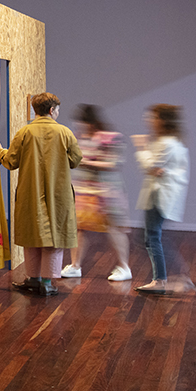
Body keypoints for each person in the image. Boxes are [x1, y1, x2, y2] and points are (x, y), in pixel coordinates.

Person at [0, 92, 83, 296]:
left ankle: (32, 279)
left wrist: (0, 152)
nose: (58, 113)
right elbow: (76, 160)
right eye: (58, 109)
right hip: (58, 194)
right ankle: (46, 282)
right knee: (54, 235)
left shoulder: (24, 132)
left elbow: (11, 162)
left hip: (29, 192)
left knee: (31, 235)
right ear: (52, 110)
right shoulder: (64, 132)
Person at [61, 104, 131, 281]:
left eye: (82, 122)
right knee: (80, 229)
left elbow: (113, 164)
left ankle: (124, 266)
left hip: (107, 193)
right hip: (84, 193)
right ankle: (75, 265)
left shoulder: (111, 138)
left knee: (114, 229)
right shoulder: (79, 137)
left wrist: (86, 162)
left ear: (90, 122)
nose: (80, 126)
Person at [132, 104, 190, 294]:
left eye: (153, 117)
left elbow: (150, 165)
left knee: (152, 238)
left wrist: (141, 148)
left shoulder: (167, 143)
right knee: (151, 238)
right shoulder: (173, 142)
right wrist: (155, 167)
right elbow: (155, 168)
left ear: (162, 120)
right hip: (160, 196)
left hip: (159, 197)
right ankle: (174, 275)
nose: (149, 121)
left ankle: (162, 279)